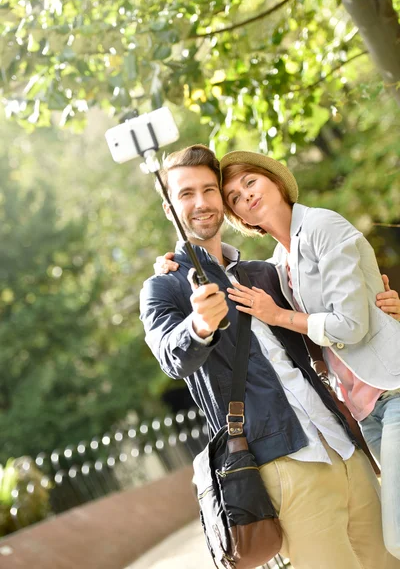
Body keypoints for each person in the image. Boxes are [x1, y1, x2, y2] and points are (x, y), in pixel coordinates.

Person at [140, 144, 400, 569]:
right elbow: (172, 356)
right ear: (170, 207)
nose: (202, 202)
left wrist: (383, 305)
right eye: (186, 194)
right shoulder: (164, 288)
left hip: (342, 445)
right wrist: (199, 325)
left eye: (210, 191)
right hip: (282, 462)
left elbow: (329, 323)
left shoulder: (266, 272)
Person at [216, 149, 400, 560]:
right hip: (365, 408)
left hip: (395, 388)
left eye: (250, 182)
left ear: (276, 182)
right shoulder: (279, 264)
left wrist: (278, 314)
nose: (245, 196)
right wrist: (170, 263)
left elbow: (350, 325)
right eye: (233, 198)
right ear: (241, 220)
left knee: (397, 538)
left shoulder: (321, 226)